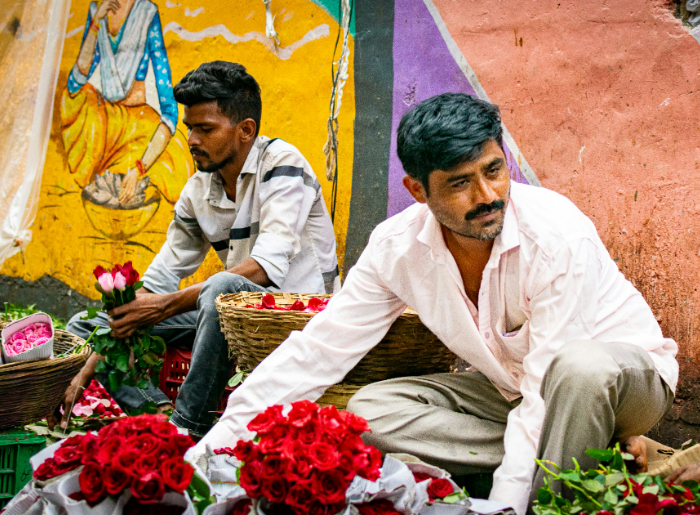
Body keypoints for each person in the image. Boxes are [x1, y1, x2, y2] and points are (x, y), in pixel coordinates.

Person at [189, 93, 678, 514]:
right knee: (371, 411)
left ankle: (552, 498)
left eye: (494, 171)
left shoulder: (555, 234)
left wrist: (507, 503)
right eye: (460, 183)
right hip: (513, 393)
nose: (488, 196)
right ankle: (599, 455)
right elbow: (319, 349)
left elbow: (551, 380)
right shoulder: (396, 248)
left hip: (623, 385)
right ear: (418, 190)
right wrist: (211, 452)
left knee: (579, 367)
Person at [49, 61, 341, 438]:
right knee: (89, 327)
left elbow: (265, 268)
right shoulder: (197, 190)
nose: (191, 140)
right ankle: (156, 415)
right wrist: (105, 345)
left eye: (205, 129)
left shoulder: (282, 164)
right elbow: (157, 283)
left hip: (297, 319)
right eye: (189, 128)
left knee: (221, 289)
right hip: (231, 320)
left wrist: (166, 306)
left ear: (245, 131)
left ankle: (189, 428)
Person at [62, 0, 192, 207]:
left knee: (178, 159)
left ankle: (123, 174)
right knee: (79, 100)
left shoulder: (146, 14)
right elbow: (75, 83)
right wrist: (96, 23)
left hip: (138, 127)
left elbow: (169, 111)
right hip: (103, 127)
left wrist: (139, 169)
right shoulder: (98, 10)